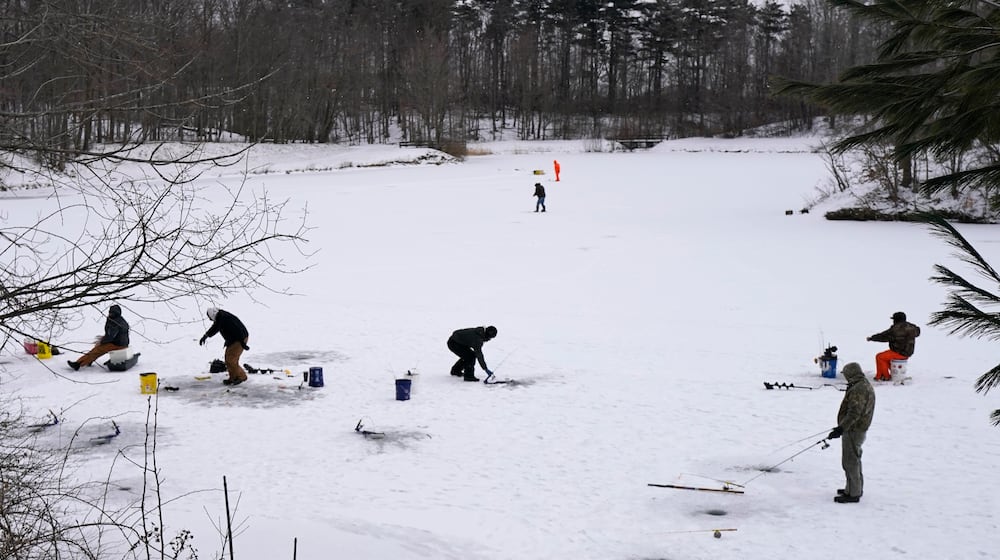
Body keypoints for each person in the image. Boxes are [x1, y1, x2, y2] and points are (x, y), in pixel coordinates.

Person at [826, 362, 875, 503]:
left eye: (846, 374)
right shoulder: (861, 384)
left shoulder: (859, 389)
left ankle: (853, 493)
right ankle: (853, 487)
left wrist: (842, 428)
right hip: (855, 428)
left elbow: (854, 413)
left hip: (854, 429)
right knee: (853, 459)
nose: (845, 377)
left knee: (850, 461)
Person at [67, 304, 130, 370]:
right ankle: (88, 360)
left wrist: (102, 341)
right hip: (120, 343)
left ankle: (78, 364)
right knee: (98, 348)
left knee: (98, 349)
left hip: (118, 345)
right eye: (110, 312)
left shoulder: (115, 322)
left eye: (112, 313)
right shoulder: (119, 320)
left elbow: (111, 336)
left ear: (116, 313)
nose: (110, 314)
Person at [199, 307, 249, 385]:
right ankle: (232, 378)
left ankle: (242, 376)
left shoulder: (222, 317)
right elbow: (216, 326)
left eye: (210, 317)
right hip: (234, 339)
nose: (210, 319)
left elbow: (215, 328)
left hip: (239, 339)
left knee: (231, 360)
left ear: (212, 315)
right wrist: (206, 335)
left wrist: (242, 343)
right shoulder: (221, 316)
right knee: (228, 360)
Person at [867, 311, 920, 381]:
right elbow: (918, 331)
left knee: (879, 357)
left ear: (896, 320)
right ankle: (883, 374)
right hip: (909, 352)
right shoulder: (912, 327)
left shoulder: (895, 329)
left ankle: (885, 376)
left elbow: (883, 336)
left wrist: (872, 338)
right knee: (885, 356)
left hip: (898, 352)